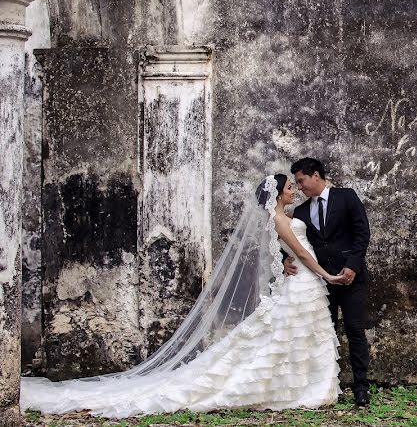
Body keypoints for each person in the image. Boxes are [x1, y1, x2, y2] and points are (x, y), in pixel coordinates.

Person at [21, 174, 342, 417]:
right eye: (289, 186)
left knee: (301, 331)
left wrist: (288, 261)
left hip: (302, 281)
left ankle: (306, 384)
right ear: (276, 193)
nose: (294, 189)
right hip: (306, 278)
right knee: (290, 331)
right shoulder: (277, 219)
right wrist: (324, 273)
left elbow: (289, 251)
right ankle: (295, 386)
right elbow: (298, 249)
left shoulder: (285, 216)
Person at [285, 157, 372, 406]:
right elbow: (293, 242)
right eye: (296, 184)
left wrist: (352, 267)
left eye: (301, 181)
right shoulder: (301, 212)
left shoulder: (346, 197)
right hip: (319, 281)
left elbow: (362, 232)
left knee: (355, 331)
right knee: (325, 333)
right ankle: (327, 387)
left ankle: (361, 388)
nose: (300, 187)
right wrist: (283, 261)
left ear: (316, 175)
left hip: (350, 279)